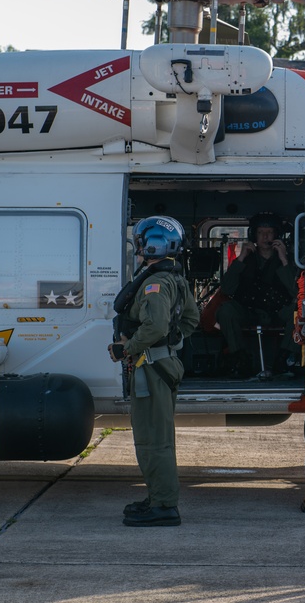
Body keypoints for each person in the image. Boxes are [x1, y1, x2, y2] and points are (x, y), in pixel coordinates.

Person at [109, 216, 198, 527]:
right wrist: (170, 344)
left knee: (152, 440)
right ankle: (158, 496)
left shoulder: (154, 283)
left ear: (152, 244)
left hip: (150, 368)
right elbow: (190, 320)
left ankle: (163, 506)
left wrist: (128, 348)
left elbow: (157, 325)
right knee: (159, 437)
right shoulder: (175, 278)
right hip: (163, 364)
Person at [216, 212, 298, 376]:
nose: (265, 236)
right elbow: (227, 288)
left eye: (269, 232)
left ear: (277, 235)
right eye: (260, 232)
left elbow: (296, 291)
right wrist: (241, 258)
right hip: (250, 310)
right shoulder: (245, 260)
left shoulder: (287, 260)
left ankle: (285, 359)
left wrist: (284, 260)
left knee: (299, 311)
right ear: (254, 234)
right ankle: (240, 358)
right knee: (226, 310)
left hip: (278, 311)